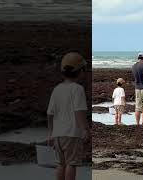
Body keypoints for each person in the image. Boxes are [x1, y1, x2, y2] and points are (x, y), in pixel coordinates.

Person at [47, 52, 89, 180]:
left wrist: (50, 132)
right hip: (72, 133)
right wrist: (85, 129)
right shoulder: (77, 89)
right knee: (71, 164)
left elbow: (50, 113)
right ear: (80, 71)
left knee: (60, 164)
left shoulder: (57, 89)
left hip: (58, 133)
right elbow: (79, 112)